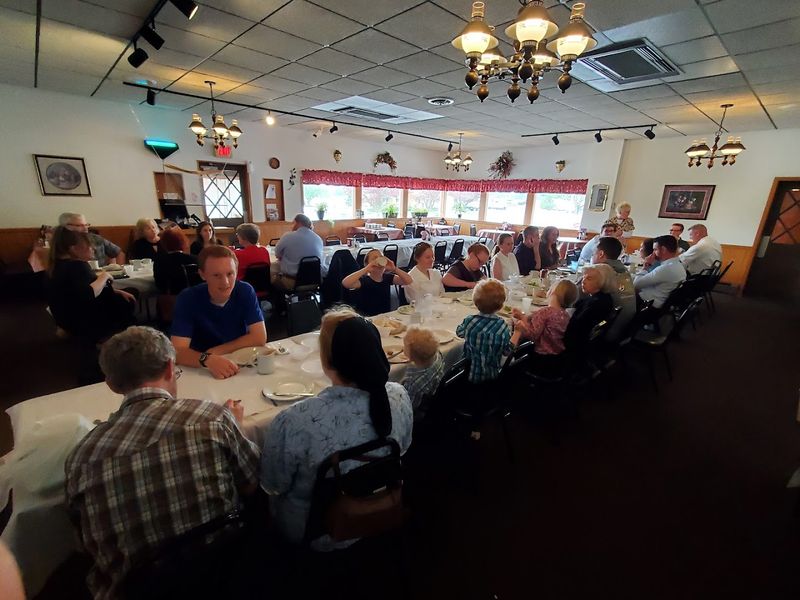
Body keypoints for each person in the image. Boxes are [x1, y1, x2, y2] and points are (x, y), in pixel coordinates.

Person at [65, 327, 260, 600]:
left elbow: (84, 544)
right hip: (224, 570)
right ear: (170, 368)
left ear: (111, 384)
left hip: (137, 589)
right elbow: (251, 484)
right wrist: (233, 429)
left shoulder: (82, 458)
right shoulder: (212, 417)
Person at [260, 309, 413, 548]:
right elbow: (401, 450)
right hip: (380, 507)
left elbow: (273, 485)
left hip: (316, 530)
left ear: (325, 360)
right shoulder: (398, 396)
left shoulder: (295, 421)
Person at [171, 246, 267, 379]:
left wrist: (216, 351)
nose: (225, 282)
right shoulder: (188, 298)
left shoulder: (245, 291)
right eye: (216, 275)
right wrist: (207, 359)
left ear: (237, 271)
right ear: (202, 274)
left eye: (230, 274)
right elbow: (177, 351)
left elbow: (259, 337)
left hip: (240, 365)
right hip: (201, 370)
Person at [47, 227, 136, 342]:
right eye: (89, 245)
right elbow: (88, 293)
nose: (93, 248)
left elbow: (76, 292)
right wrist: (104, 276)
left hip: (65, 319)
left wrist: (115, 291)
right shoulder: (77, 266)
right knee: (128, 299)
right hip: (84, 320)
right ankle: (108, 338)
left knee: (125, 293)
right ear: (73, 249)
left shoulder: (56, 266)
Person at [456, 279, 522, 383]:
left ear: (475, 302)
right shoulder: (502, 326)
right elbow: (507, 351)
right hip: (492, 375)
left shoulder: (470, 321)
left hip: (467, 373)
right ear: (501, 306)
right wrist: (517, 332)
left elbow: (459, 332)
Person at [513, 279, 578, 371]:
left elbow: (532, 335)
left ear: (552, 292)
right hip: (558, 357)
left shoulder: (544, 312)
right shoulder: (565, 314)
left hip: (541, 358)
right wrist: (528, 316)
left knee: (518, 345)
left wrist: (522, 319)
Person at [342, 249, 413, 316]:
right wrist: (366, 269)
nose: (378, 260)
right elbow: (346, 283)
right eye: (374, 258)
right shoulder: (364, 280)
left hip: (384, 316)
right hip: (368, 318)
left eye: (381, 257)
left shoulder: (387, 278)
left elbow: (409, 280)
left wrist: (394, 269)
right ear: (367, 264)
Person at [591, 236, 636, 340]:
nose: (592, 256)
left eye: (593, 253)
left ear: (601, 254)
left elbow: (576, 297)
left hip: (605, 331)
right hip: (625, 329)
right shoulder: (624, 269)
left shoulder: (600, 271)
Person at [563, 265, 614, 351]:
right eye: (584, 277)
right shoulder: (604, 298)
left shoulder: (596, 304)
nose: (583, 281)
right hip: (585, 343)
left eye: (589, 279)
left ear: (602, 282)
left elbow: (574, 327)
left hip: (574, 346)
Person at [401, 326, 445, 420]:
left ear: (412, 356)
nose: (403, 347)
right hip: (436, 398)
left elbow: (409, 407)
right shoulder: (438, 356)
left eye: (404, 346)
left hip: (419, 414)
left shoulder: (414, 382)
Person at [274, 214, 325, 291]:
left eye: (293, 223)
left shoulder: (288, 236)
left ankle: (279, 303)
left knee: (273, 278)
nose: (291, 226)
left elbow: (277, 254)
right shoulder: (318, 238)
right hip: (315, 281)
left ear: (297, 223)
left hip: (293, 281)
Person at [634, 235, 687, 308]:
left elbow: (636, 284)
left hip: (649, 305)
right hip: (662, 303)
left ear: (663, 249)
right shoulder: (679, 265)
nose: (653, 253)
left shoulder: (666, 269)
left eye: (655, 250)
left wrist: (646, 266)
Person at [59, 212, 124, 266]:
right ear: (67, 226)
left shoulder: (96, 238)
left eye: (86, 225)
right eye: (80, 225)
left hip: (101, 276)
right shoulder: (61, 243)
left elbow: (118, 253)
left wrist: (117, 270)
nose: (85, 228)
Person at [153, 227, 198, 295]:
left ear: (164, 243)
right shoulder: (195, 259)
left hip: (170, 301)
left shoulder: (160, 261)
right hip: (193, 298)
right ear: (182, 241)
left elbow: (159, 285)